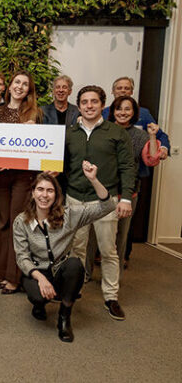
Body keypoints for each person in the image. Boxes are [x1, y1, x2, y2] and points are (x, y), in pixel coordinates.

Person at [13, 164, 116, 342]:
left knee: (75, 264)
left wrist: (93, 179)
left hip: (61, 271)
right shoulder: (21, 221)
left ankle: (64, 316)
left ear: (56, 195)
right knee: (37, 296)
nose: (44, 195)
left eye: (50, 191)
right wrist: (41, 278)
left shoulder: (70, 215)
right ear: (33, 193)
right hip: (37, 272)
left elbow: (107, 206)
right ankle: (39, 305)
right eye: (40, 189)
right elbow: (22, 257)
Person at [66, 85, 135, 321]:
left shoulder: (116, 133)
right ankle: (74, 290)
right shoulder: (70, 133)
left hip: (106, 201)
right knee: (76, 249)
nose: (89, 106)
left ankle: (111, 297)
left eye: (94, 101)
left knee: (108, 250)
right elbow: (62, 165)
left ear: (102, 105)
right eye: (84, 102)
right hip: (75, 198)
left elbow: (127, 166)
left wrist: (126, 198)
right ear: (79, 106)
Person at [0, 71, 41, 295]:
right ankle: (1, 272)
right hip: (1, 176)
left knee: (17, 223)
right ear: (9, 87)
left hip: (23, 176)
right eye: (17, 82)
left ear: (29, 90)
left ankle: (14, 276)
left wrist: (34, 130)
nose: (20, 86)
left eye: (25, 84)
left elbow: (41, 148)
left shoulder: (35, 114)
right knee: (3, 222)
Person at [107, 96, 161, 271]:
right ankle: (87, 273)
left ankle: (116, 272)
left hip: (127, 192)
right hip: (103, 191)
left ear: (134, 112)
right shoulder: (104, 130)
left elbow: (152, 160)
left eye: (127, 109)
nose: (123, 112)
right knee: (96, 235)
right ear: (113, 111)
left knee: (121, 236)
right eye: (119, 108)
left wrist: (152, 136)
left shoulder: (140, 135)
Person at [101, 76, 170, 157]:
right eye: (119, 88)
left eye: (127, 88)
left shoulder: (143, 113)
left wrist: (163, 148)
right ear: (113, 91)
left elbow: (160, 135)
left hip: (137, 160)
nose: (123, 90)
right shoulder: (103, 113)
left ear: (131, 92)